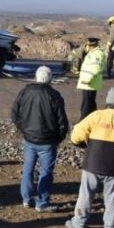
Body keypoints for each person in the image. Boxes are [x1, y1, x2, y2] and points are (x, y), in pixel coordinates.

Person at [65, 87, 114, 228]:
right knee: (113, 198)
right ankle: (111, 227)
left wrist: (83, 145)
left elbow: (75, 136)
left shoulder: (96, 116)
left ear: (108, 101)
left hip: (92, 163)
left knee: (86, 194)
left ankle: (79, 223)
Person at [11, 66, 69, 212]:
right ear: (50, 79)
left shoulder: (25, 92)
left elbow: (14, 114)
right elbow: (62, 122)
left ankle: (26, 199)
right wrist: (58, 139)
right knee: (46, 172)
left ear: (36, 77)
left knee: (28, 168)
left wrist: (23, 129)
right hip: (47, 141)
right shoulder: (54, 95)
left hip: (31, 139)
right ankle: (41, 203)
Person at [76, 37, 106, 120]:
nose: (85, 48)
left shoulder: (97, 54)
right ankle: (94, 120)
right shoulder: (93, 53)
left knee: (86, 104)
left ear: (90, 45)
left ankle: (82, 121)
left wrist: (87, 80)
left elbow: (95, 68)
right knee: (91, 103)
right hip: (89, 83)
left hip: (89, 83)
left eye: (86, 46)